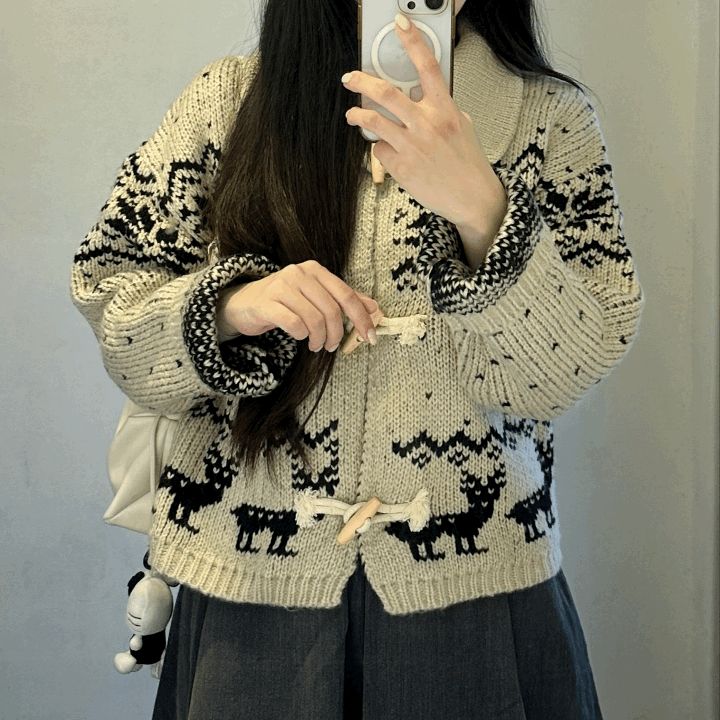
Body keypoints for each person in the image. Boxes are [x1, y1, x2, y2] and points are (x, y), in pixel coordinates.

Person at [69, 0, 645, 718]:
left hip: (481, 597)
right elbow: (110, 297)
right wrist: (229, 308)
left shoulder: (550, 120)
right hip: (248, 600)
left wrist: (483, 210)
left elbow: (571, 367)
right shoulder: (226, 104)